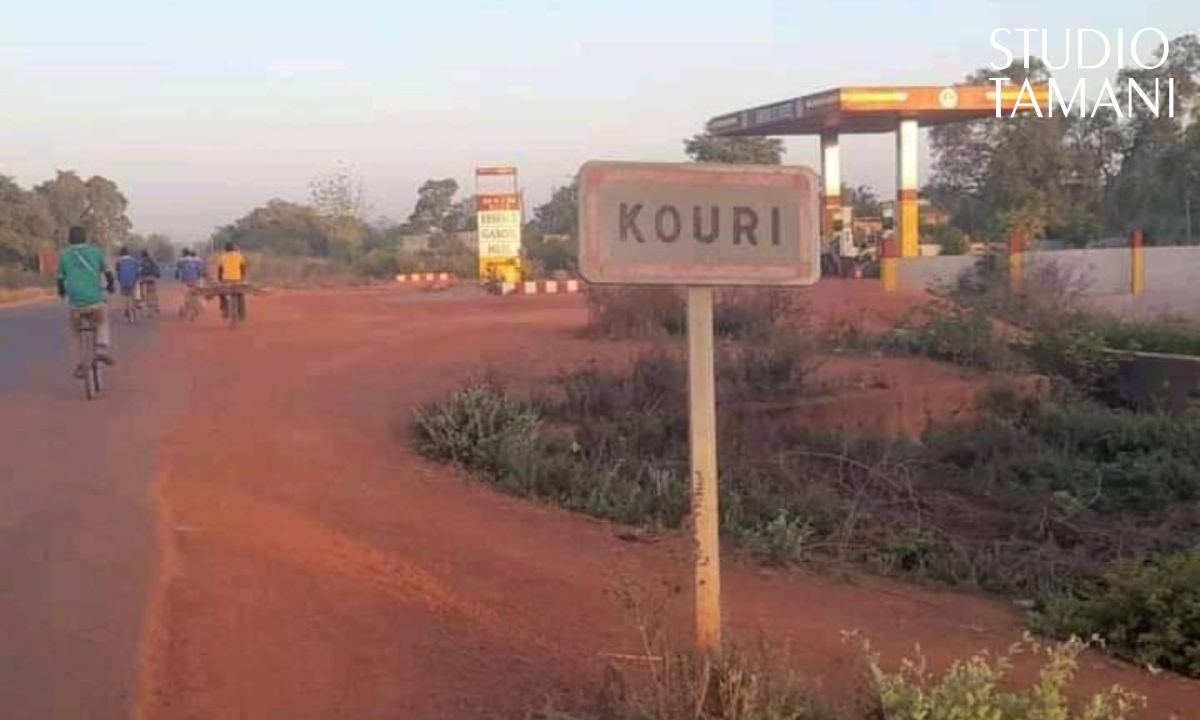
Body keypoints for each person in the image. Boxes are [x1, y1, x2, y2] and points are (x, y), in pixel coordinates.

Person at [56, 226, 115, 375]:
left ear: (69, 239)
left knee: (75, 332)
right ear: (85, 238)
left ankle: (80, 364)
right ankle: (101, 347)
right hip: (95, 300)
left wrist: (62, 292)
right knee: (102, 320)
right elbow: (108, 273)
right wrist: (110, 286)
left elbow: (60, 280)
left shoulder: (64, 256)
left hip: (76, 304)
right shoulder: (95, 252)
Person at [217, 241, 247, 319]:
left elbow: (220, 270)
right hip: (237, 279)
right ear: (234, 248)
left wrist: (220, 279)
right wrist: (243, 277)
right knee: (241, 294)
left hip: (226, 280)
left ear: (225, 249)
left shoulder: (222, 257)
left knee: (221, 293)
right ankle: (242, 313)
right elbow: (243, 268)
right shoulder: (239, 255)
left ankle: (224, 308)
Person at [175, 249, 206, 317]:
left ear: (183, 254)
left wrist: (177, 276)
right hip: (195, 280)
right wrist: (199, 277)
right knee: (195, 294)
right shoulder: (196, 260)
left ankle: (183, 309)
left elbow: (177, 271)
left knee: (184, 295)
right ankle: (195, 309)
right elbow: (200, 271)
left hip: (185, 281)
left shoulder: (180, 260)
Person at [114, 247, 140, 320]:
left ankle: (126, 310)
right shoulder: (134, 260)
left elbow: (117, 272)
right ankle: (134, 313)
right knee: (132, 297)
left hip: (123, 281)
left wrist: (119, 280)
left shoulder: (119, 261)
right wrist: (136, 280)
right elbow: (138, 271)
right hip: (132, 280)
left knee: (125, 297)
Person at [138, 250, 162, 315]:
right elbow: (157, 268)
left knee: (143, 290)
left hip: (145, 279)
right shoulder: (152, 260)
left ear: (142, 255)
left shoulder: (141, 261)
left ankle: (144, 305)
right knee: (153, 293)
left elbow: (139, 271)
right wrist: (157, 275)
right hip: (152, 278)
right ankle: (157, 306)